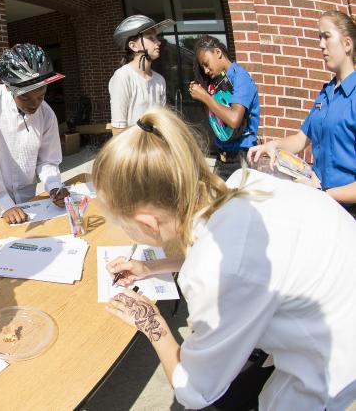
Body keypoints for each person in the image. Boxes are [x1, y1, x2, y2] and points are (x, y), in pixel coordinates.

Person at [93, 107, 356, 410]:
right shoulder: (243, 183)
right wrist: (151, 267)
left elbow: (194, 391)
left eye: (125, 227)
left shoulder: (214, 272)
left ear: (148, 223)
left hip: (334, 356)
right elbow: (223, 249)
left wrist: (153, 322)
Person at [249, 10, 356, 212]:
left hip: (348, 214)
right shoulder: (325, 94)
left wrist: (325, 193)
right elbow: (300, 139)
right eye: (319, 38)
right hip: (321, 203)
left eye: (326, 37)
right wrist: (273, 145)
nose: (320, 45)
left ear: (347, 44)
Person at [0, 43, 69, 224]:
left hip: (27, 198)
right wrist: (3, 203)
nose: (34, 104)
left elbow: (47, 160)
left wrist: (54, 186)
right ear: (9, 87)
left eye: (40, 96)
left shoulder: (47, 114)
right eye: (25, 97)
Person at [188, 35, 260, 180]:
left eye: (206, 64)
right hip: (223, 156)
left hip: (240, 158)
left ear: (218, 52)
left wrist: (205, 97)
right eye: (203, 67)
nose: (206, 70)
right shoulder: (218, 81)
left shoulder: (240, 77)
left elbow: (234, 119)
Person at [109, 15, 174, 138]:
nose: (158, 42)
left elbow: (162, 122)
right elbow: (118, 131)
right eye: (151, 38)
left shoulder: (160, 80)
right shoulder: (123, 77)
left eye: (156, 37)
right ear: (133, 46)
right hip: (134, 154)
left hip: (157, 151)